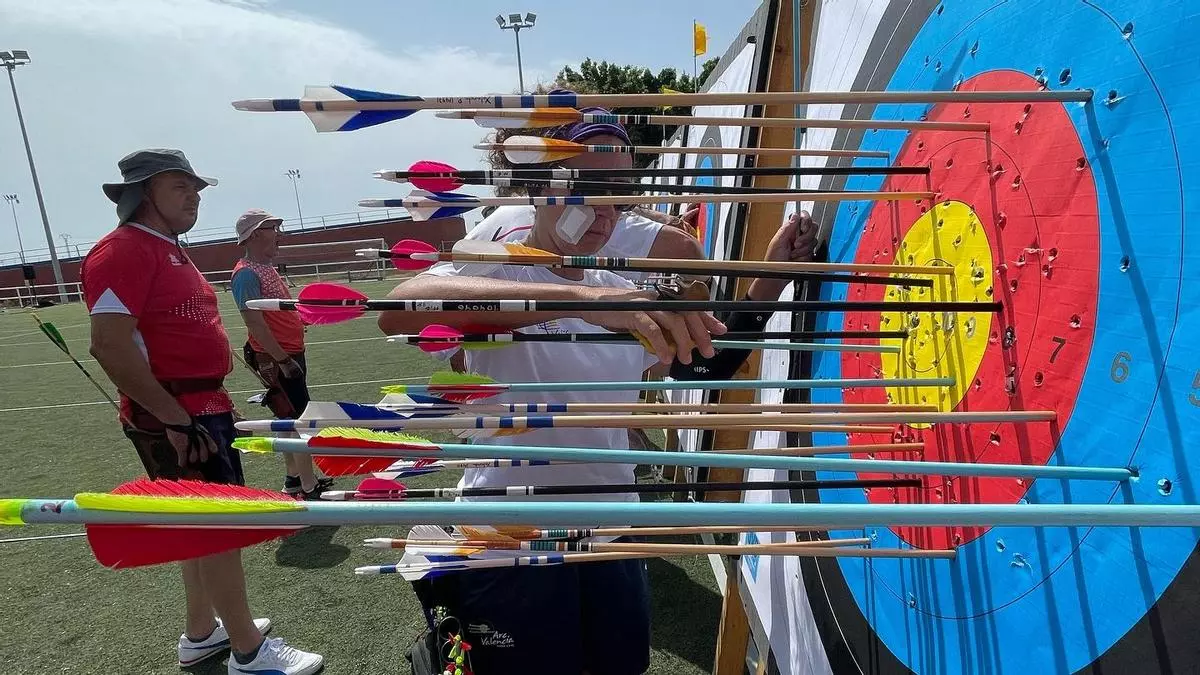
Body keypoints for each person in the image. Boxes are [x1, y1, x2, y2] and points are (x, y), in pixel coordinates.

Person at [378, 109, 819, 674]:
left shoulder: (622, 290)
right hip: (508, 534)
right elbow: (399, 307)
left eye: (617, 191)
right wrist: (588, 302)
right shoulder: (496, 271)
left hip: (608, 528)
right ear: (536, 189)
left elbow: (705, 364)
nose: (604, 210)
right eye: (585, 187)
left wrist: (770, 280)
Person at [82, 148, 324, 675]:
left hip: (198, 406)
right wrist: (173, 417)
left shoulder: (165, 247)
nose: (194, 197)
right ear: (143, 194)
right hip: (178, 413)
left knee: (197, 525)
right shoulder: (123, 250)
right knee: (217, 527)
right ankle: (248, 651)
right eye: (180, 187)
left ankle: (200, 633)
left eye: (195, 188)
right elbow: (109, 344)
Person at [230, 208, 332, 499]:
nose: (279, 235)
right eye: (272, 228)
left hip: (288, 354)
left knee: (288, 420)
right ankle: (309, 487)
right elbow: (254, 323)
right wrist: (283, 360)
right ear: (254, 235)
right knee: (299, 420)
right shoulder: (246, 274)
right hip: (277, 358)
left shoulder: (265, 268)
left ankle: (294, 480)